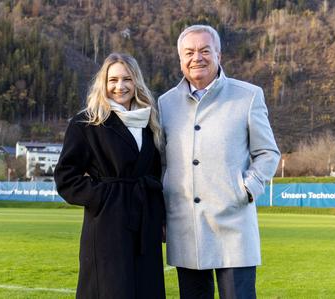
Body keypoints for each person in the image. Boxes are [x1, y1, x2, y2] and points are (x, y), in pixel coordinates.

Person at [158, 25, 281, 298]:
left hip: (233, 228)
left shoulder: (248, 96)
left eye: (204, 50)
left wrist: (246, 188)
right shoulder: (165, 103)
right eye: (189, 52)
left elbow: (268, 153)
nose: (197, 58)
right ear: (180, 59)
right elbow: (162, 163)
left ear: (219, 55)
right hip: (185, 228)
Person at [54, 53, 166, 298]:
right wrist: (105, 197)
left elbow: (156, 173)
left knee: (146, 290)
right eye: (112, 79)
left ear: (136, 82)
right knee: (112, 289)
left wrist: (160, 216)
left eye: (127, 79)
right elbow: (66, 178)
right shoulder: (86, 122)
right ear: (103, 83)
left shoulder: (149, 122)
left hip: (145, 226)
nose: (120, 86)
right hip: (107, 226)